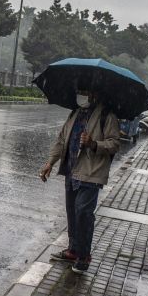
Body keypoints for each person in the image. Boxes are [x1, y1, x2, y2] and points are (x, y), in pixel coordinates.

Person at [39, 90, 120, 273]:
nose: (84, 95)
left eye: (88, 91)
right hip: (71, 170)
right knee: (72, 213)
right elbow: (61, 140)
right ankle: (73, 250)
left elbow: (115, 143)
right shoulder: (76, 112)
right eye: (83, 91)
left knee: (83, 213)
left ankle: (84, 256)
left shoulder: (107, 115)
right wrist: (50, 162)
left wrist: (94, 144)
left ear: (96, 93)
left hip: (91, 172)